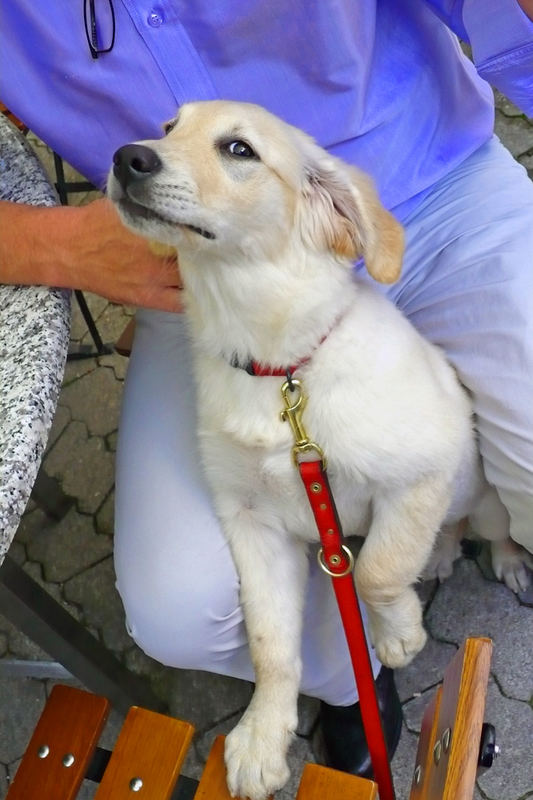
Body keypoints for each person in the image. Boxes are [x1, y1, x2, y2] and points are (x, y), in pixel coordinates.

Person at [1, 0, 532, 778]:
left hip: (434, 182)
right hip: (199, 278)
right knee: (178, 608)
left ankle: (458, 553)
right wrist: (52, 246)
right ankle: (348, 676)